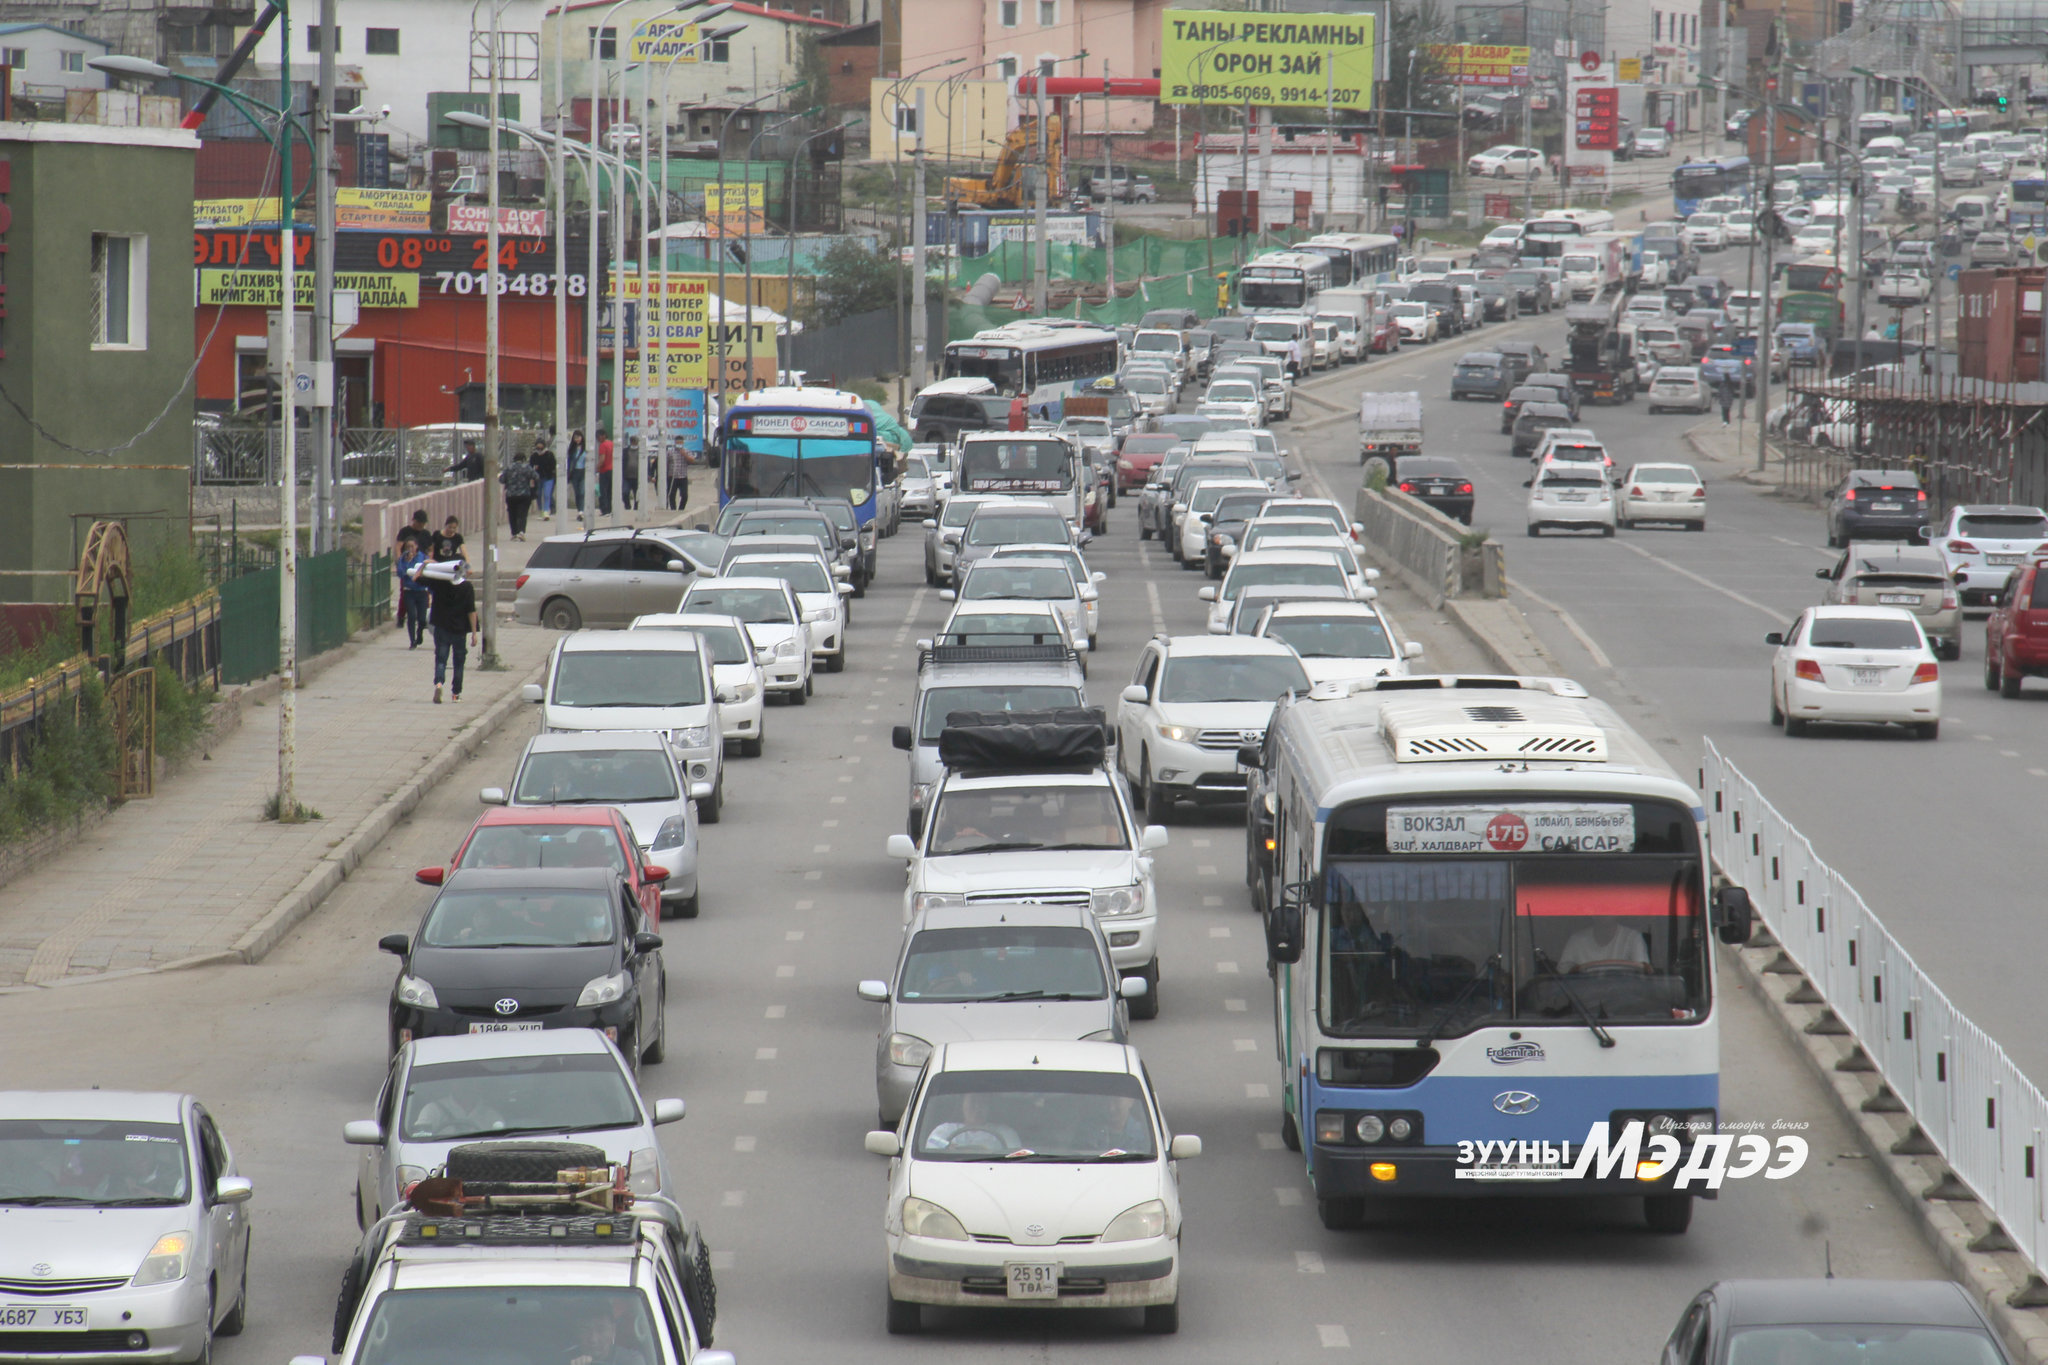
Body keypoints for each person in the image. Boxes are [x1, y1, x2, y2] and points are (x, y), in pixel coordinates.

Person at [426, 553, 479, 704]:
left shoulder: (441, 584)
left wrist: (428, 564)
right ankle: (456, 693)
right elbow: (471, 611)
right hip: (459, 630)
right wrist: (474, 633)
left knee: (441, 659)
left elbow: (418, 577)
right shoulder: (467, 587)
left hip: (442, 628)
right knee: (459, 663)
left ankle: (439, 683)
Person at [924, 1092, 1025, 1153]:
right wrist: (946, 1146)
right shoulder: (946, 1129)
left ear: (989, 1107)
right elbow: (932, 1142)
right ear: (962, 1105)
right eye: (973, 1102)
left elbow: (1016, 1156)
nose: (977, 1108)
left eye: (982, 1103)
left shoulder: (1005, 1133)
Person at [1558, 918, 1652, 973]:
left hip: (1624, 1003)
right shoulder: (1576, 940)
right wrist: (1575, 971)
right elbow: (1563, 976)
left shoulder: (1633, 938)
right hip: (1583, 1004)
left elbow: (1643, 974)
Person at [565, 1308, 651, 1365]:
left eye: (601, 1329)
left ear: (613, 1330)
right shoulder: (564, 1360)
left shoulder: (631, 1361)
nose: (593, 1339)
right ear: (576, 1333)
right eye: (585, 1330)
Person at [395, 537, 430, 649]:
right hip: (409, 591)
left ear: (416, 546)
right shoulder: (403, 558)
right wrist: (407, 562)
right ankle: (412, 640)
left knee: (422, 618)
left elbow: (428, 571)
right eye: (408, 546)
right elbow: (400, 573)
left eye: (412, 546)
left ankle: (419, 633)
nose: (410, 549)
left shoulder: (423, 557)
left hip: (421, 591)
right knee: (411, 615)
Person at [501, 451, 538, 541]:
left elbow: (501, 479)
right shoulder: (527, 467)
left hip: (511, 495)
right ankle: (521, 532)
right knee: (522, 514)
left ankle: (514, 533)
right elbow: (536, 477)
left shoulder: (509, 468)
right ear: (524, 459)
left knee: (512, 514)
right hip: (524, 494)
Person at [533, 437, 558, 516]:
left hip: (549, 477)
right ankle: (541, 510)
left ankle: (546, 510)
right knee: (539, 494)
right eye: (538, 446)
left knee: (547, 494)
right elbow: (530, 466)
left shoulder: (549, 454)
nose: (539, 448)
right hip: (538, 478)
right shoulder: (534, 455)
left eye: (541, 446)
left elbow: (553, 465)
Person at [566, 430, 588, 514]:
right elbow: (569, 462)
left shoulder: (586, 448)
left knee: (582, 492)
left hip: (583, 472)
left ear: (582, 437)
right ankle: (579, 509)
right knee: (577, 493)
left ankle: (581, 511)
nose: (577, 439)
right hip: (574, 472)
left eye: (578, 437)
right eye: (575, 438)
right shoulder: (572, 449)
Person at [596, 430, 615, 516]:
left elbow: (602, 459)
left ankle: (605, 510)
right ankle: (610, 509)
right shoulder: (612, 444)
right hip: (612, 470)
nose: (598, 439)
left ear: (602, 436)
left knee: (603, 491)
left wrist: (597, 467)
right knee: (610, 491)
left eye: (598, 437)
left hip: (604, 470)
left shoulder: (603, 445)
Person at [667, 443, 691, 510]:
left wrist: (684, 454)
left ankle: (681, 509)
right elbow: (666, 463)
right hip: (672, 477)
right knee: (671, 495)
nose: (679, 445)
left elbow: (692, 460)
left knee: (684, 496)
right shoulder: (670, 452)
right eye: (678, 443)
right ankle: (673, 509)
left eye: (680, 443)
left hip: (683, 477)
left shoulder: (686, 451)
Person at [620, 435, 640, 511]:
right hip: (626, 476)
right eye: (633, 442)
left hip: (637, 477)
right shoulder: (625, 451)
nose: (634, 443)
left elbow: (647, 463)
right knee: (625, 492)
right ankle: (627, 506)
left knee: (637, 494)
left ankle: (636, 507)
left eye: (636, 442)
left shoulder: (641, 451)